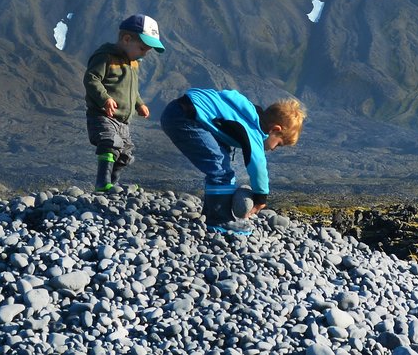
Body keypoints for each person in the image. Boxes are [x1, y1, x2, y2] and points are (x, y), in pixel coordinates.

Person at [160, 88, 305, 234]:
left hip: (181, 109)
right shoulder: (253, 130)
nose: (274, 149)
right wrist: (261, 197)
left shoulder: (249, 113)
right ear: (274, 129)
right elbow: (258, 165)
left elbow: (226, 98)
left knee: (221, 156)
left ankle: (210, 210)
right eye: (279, 144)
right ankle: (218, 219)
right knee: (221, 170)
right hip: (185, 118)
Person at [84, 14, 165, 192]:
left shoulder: (133, 64)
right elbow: (92, 79)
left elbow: (132, 89)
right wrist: (105, 98)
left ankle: (113, 184)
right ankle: (102, 183)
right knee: (110, 142)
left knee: (125, 152)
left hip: (123, 121)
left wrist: (139, 104)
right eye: (143, 48)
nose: (145, 54)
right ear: (126, 39)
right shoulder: (105, 56)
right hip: (103, 115)